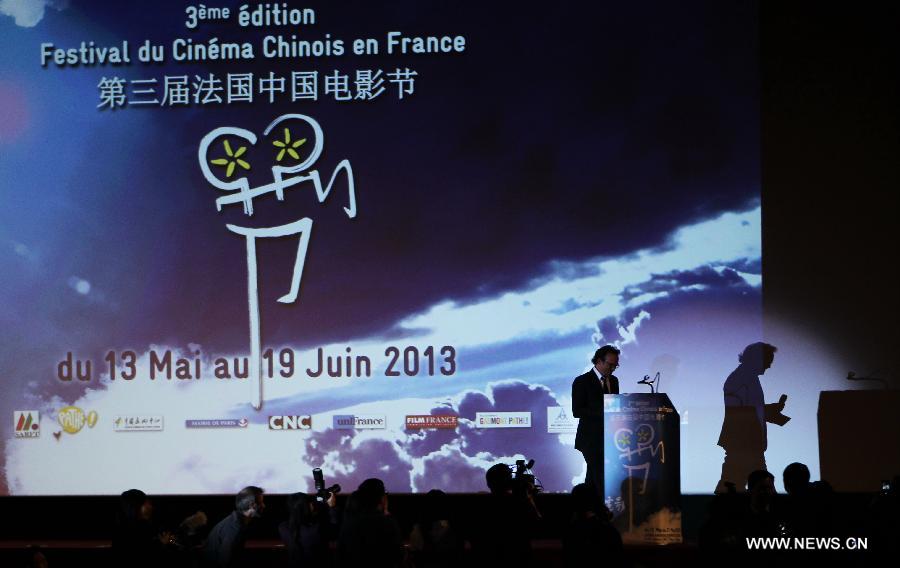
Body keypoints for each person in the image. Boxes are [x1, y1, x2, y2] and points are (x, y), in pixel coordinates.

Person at [716, 343, 789, 493]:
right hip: (745, 445)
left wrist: (769, 410)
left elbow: (747, 411)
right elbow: (741, 413)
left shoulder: (744, 378)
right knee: (753, 488)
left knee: (734, 487)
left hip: (746, 445)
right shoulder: (742, 379)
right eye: (768, 360)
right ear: (757, 359)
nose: (769, 366)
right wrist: (769, 411)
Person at [573, 345, 621, 496]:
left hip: (609, 439)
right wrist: (604, 413)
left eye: (616, 365)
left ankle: (587, 511)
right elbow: (577, 411)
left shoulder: (614, 381)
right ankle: (604, 511)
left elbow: (614, 405)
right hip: (590, 439)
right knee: (601, 477)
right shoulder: (582, 381)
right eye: (610, 364)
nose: (613, 368)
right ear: (599, 361)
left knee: (593, 480)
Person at [337, 478, 404, 567]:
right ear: (382, 498)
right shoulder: (387, 523)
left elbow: (340, 556)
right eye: (385, 494)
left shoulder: (349, 523)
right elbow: (398, 556)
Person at [203, 486, 265, 568]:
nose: (264, 506)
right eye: (261, 502)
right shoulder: (234, 529)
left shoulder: (235, 522)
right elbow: (224, 563)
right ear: (252, 505)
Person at [278, 491, 339, 567]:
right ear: (305, 507)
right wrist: (332, 507)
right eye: (310, 503)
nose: (313, 505)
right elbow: (335, 532)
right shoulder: (317, 529)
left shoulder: (283, 527)